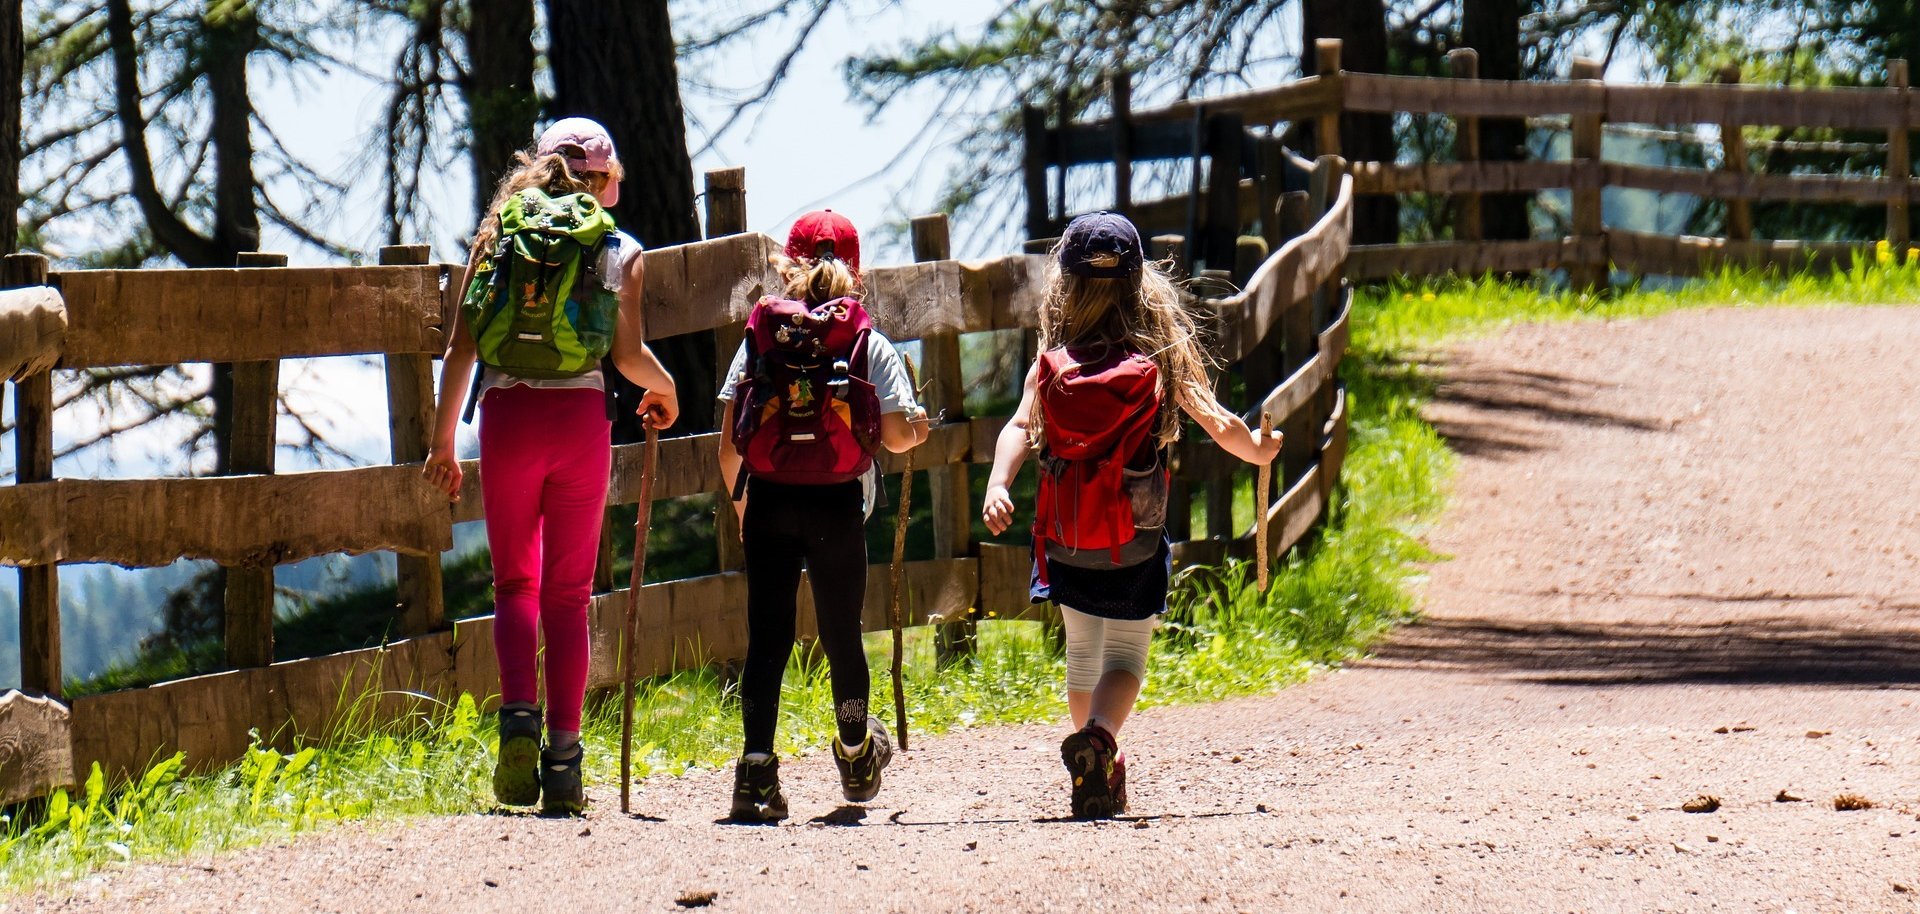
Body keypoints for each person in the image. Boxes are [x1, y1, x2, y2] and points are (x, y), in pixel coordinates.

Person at [981, 211, 1281, 820]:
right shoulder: (1158, 357)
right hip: (1135, 540)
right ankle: (1099, 741)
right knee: (1126, 660)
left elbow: (1019, 427)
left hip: (1066, 540)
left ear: (1063, 286)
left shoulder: (1053, 361)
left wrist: (997, 482)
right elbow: (1216, 420)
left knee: (1083, 656)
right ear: (1140, 283)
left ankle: (1096, 756)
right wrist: (1256, 449)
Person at [422, 118, 680, 816]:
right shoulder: (619, 249)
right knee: (568, 597)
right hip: (578, 425)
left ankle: (516, 724)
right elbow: (626, 356)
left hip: (507, 420)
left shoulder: (498, 236)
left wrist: (444, 443)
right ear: (605, 180)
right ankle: (564, 762)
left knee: (515, 586)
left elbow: (461, 349)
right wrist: (666, 388)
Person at [717, 210, 929, 821]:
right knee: (841, 635)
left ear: (787, 264)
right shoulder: (867, 341)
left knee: (768, 639)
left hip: (770, 499)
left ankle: (756, 774)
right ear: (855, 270)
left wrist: (740, 503)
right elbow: (892, 434)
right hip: (837, 503)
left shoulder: (761, 338)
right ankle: (857, 756)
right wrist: (916, 428)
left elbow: (731, 437)